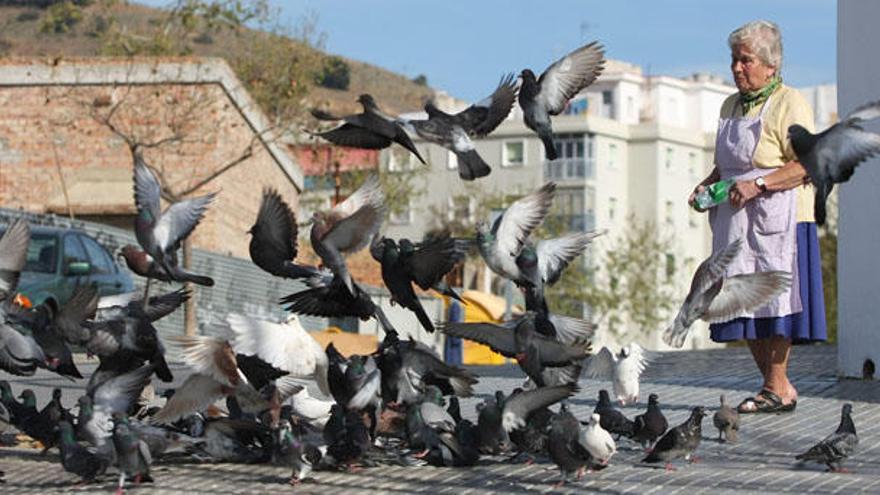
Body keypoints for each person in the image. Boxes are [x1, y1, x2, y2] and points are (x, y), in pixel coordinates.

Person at [688, 20, 826, 414]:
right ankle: (775, 387)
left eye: (746, 60)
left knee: (776, 301)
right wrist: (705, 186)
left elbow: (806, 165)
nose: (737, 68)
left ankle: (777, 386)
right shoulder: (729, 105)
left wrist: (760, 185)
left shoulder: (790, 102)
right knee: (739, 301)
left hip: (779, 221)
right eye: (734, 59)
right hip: (734, 222)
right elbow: (724, 166)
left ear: (770, 64)